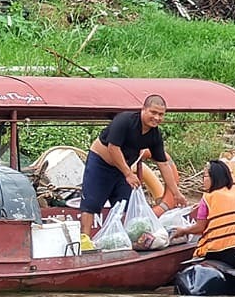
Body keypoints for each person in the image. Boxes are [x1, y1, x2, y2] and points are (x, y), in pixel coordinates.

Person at [79, 94, 186, 239]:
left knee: (127, 205)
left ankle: (123, 239)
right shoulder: (125, 120)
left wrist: (176, 193)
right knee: (90, 204)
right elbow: (113, 148)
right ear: (143, 109)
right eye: (153, 112)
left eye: (161, 115)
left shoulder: (155, 135)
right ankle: (84, 240)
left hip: (124, 169)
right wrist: (128, 174)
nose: (157, 118)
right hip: (101, 164)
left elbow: (163, 164)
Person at [171, 159, 235, 266]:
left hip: (220, 251)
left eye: (205, 176)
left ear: (214, 178)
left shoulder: (207, 198)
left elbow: (200, 228)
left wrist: (183, 231)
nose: (203, 180)